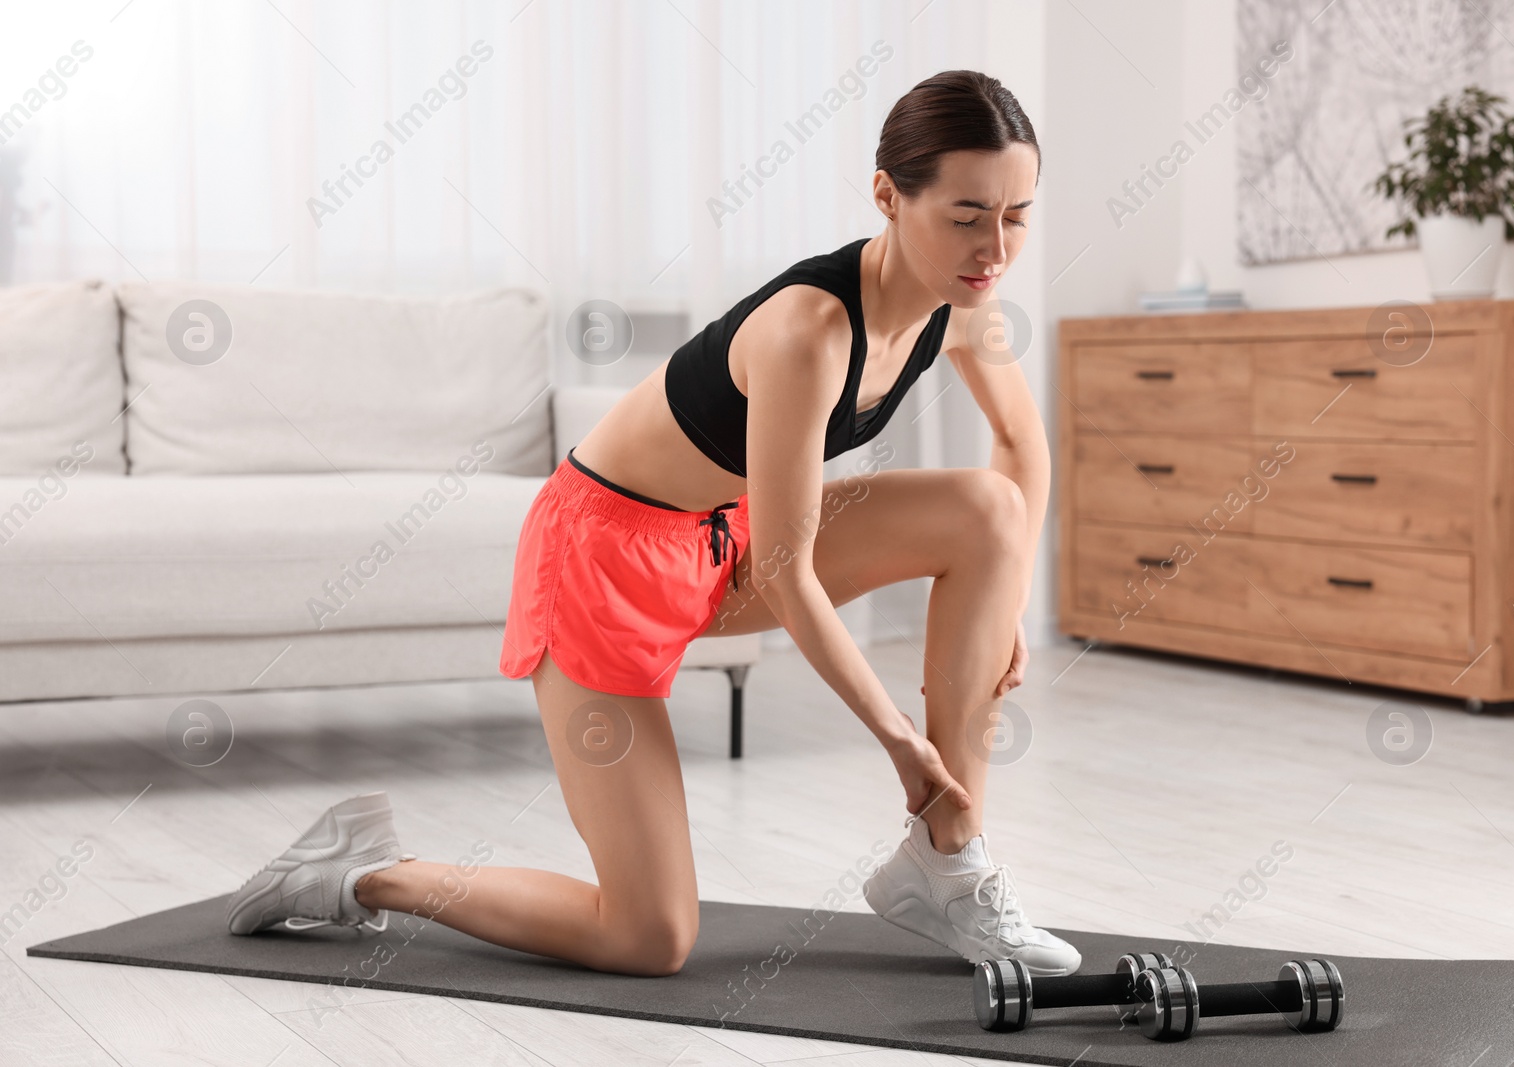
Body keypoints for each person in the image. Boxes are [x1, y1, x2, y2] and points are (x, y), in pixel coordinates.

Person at [226, 69, 1080, 980]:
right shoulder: (810, 331)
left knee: (991, 509)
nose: (994, 247)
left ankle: (949, 865)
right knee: (648, 936)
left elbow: (1022, 455)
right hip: (601, 561)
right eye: (966, 214)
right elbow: (791, 576)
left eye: (1017, 215)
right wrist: (902, 746)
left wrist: (1008, 603)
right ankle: (363, 870)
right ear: (888, 196)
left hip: (723, 542)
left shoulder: (966, 309)